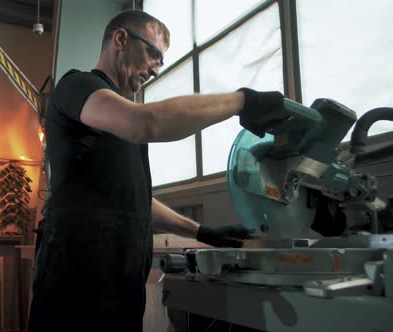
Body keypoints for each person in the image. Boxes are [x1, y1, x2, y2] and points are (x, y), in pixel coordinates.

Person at [28, 9, 286, 332]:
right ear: (121, 39)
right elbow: (145, 122)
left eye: (162, 61)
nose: (155, 69)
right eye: (153, 54)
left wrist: (200, 231)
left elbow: (136, 202)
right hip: (75, 289)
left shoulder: (124, 124)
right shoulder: (78, 86)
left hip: (121, 289)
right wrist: (242, 102)